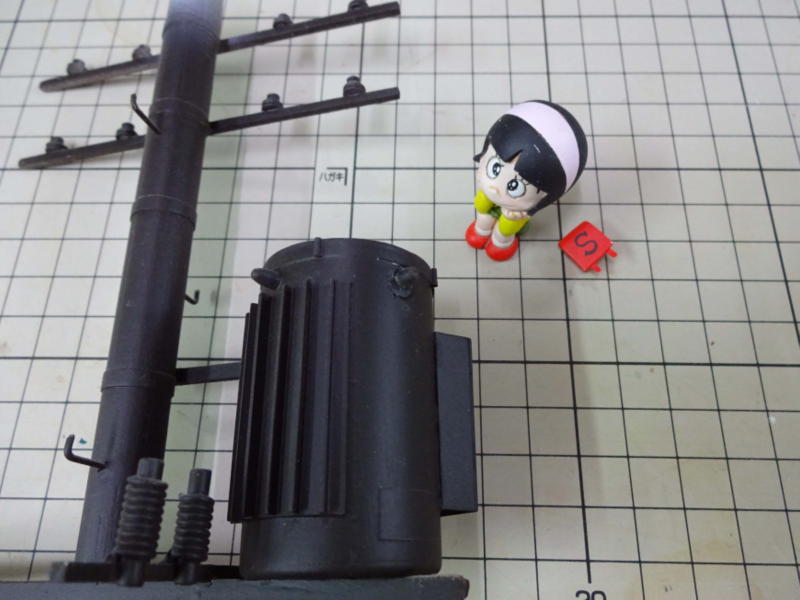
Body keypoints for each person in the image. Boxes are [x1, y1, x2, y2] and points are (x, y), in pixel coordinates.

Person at [465, 100, 588, 261]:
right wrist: (483, 201)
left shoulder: (520, 212)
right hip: (491, 210)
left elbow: (509, 226)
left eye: (514, 187)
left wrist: (512, 220)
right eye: (494, 168)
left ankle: (501, 244)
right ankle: (481, 231)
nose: (496, 188)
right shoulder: (488, 192)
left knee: (503, 233)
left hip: (512, 218)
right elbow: (481, 205)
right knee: (483, 218)